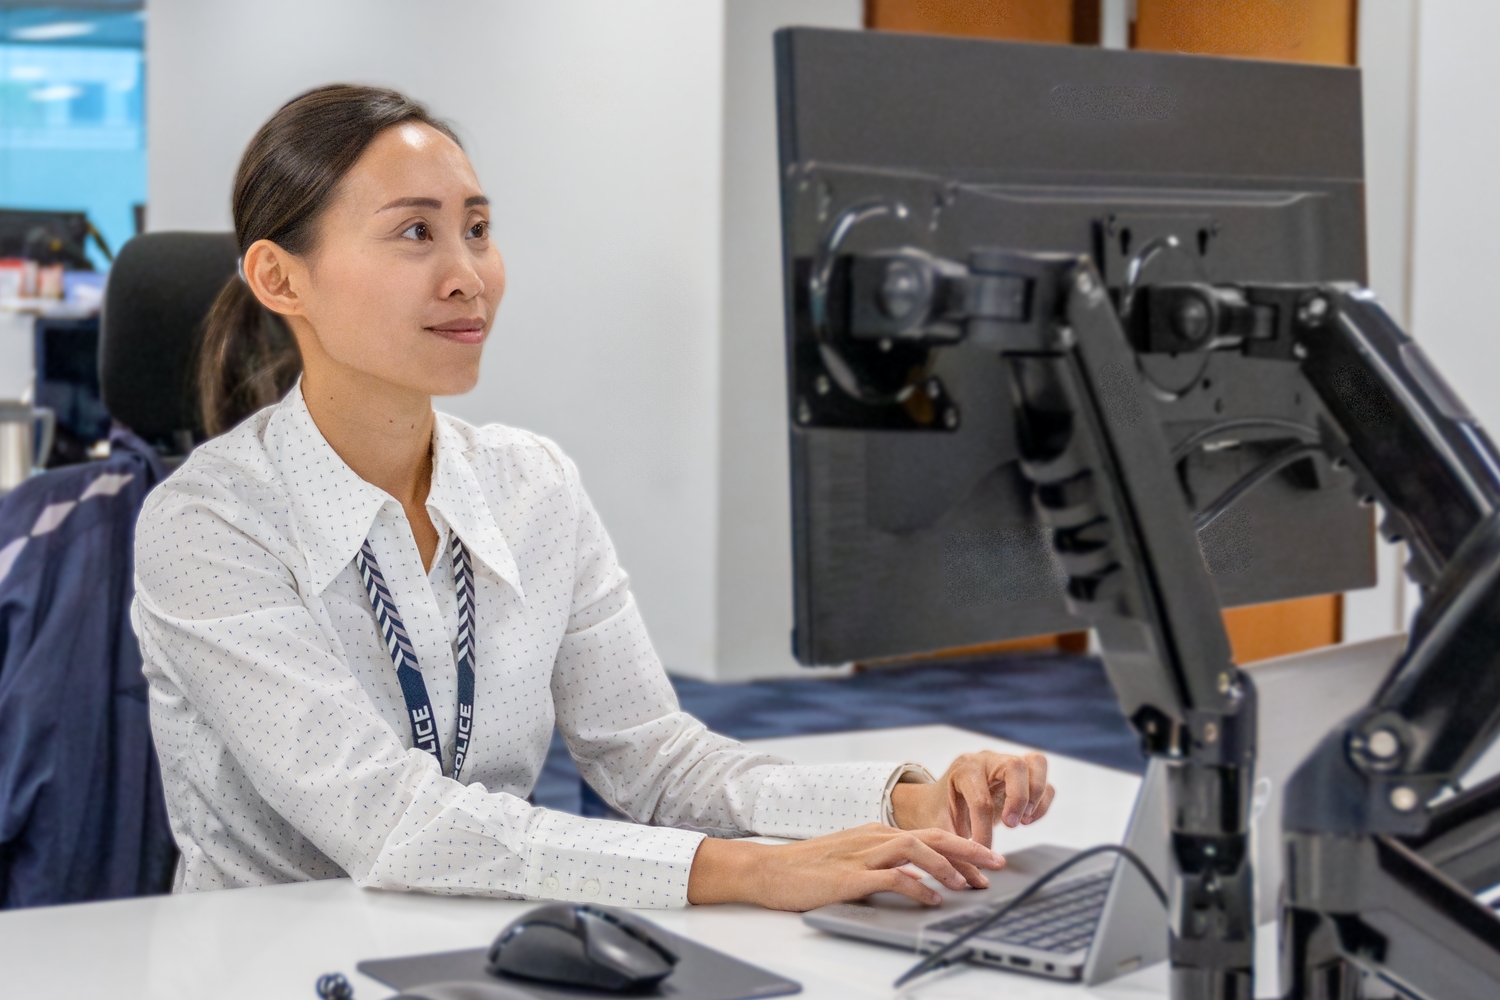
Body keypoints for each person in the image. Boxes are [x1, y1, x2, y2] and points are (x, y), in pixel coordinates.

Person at [132, 85, 1055, 911]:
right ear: (279, 278)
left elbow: (652, 756)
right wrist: (753, 871)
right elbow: (389, 820)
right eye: (416, 232)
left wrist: (906, 800)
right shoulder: (209, 524)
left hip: (488, 932)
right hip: (271, 960)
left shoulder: (530, 485)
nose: (469, 275)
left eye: (479, 229)